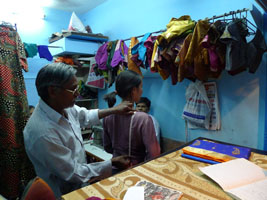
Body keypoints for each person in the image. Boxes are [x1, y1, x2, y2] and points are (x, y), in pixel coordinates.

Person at [23, 63, 133, 198]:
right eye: (73, 89)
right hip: (64, 192)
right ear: (52, 91)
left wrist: (114, 110)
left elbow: (84, 116)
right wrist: (110, 164)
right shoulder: (42, 133)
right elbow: (72, 173)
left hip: (80, 182)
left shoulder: (63, 106)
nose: (78, 93)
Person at [102, 70, 161, 173]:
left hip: (115, 171)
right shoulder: (144, 119)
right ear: (134, 90)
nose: (142, 91)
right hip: (136, 171)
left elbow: (107, 147)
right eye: (141, 87)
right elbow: (154, 153)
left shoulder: (108, 116)